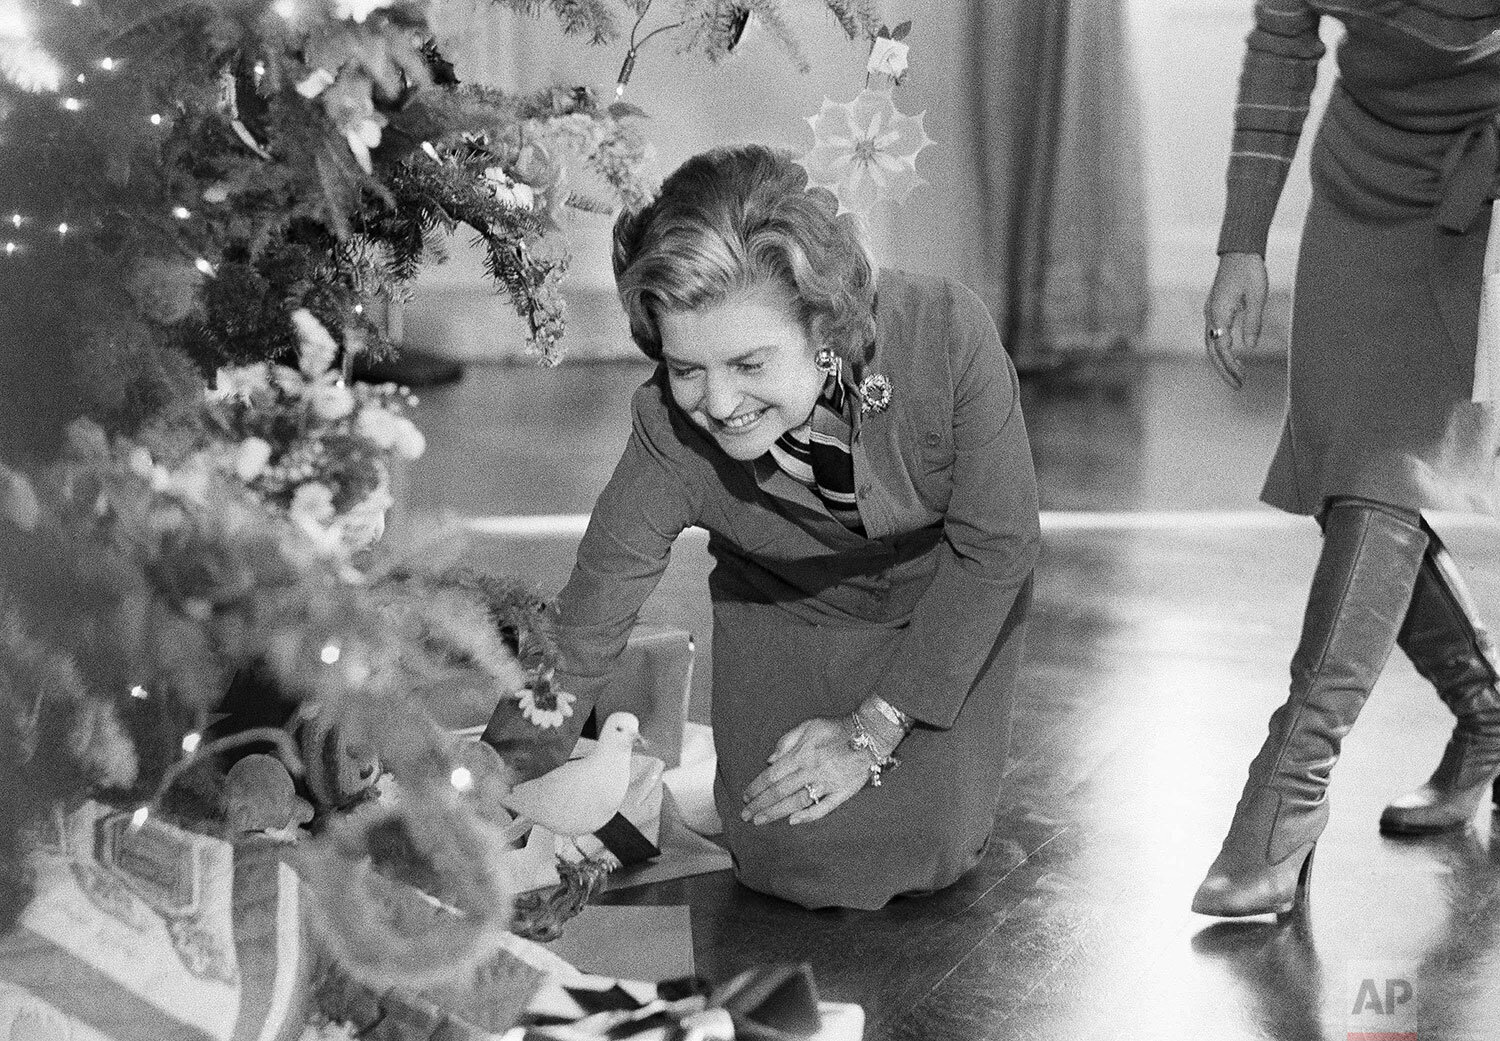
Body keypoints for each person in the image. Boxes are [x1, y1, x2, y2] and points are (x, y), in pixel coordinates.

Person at [485, 143, 1039, 910]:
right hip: (785, 605)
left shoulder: (948, 338)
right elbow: (589, 618)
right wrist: (489, 780)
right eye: (687, 369)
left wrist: (874, 727)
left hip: (945, 605)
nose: (717, 402)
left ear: (822, 325)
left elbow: (996, 547)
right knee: (784, 846)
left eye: (749, 363)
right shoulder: (666, 432)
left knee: (923, 839)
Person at [1195, 1, 1500, 918]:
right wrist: (1241, 238)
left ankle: (1286, 791)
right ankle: (1488, 718)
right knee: (1351, 479)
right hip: (1364, 182)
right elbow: (1285, 39)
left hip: (1481, 187)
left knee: (1384, 481)